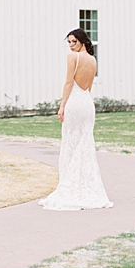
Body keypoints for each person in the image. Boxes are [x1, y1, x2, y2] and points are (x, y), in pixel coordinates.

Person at [38, 28, 114, 211]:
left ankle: (71, 187)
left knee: (71, 144)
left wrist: (62, 105)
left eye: (74, 42)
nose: (71, 46)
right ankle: (85, 186)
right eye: (69, 42)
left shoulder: (73, 57)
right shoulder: (93, 60)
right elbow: (89, 86)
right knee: (85, 143)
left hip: (74, 103)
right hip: (87, 103)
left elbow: (68, 83)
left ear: (82, 41)